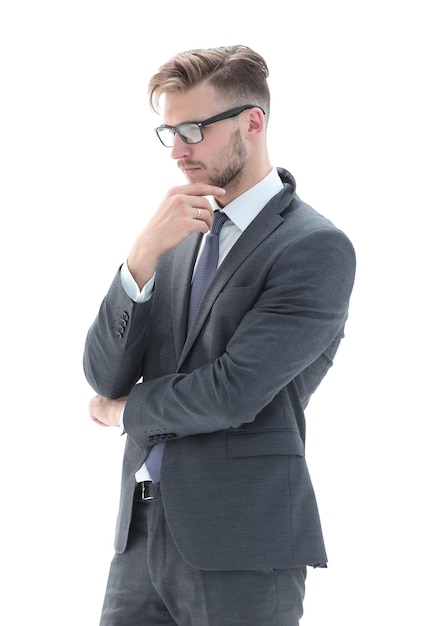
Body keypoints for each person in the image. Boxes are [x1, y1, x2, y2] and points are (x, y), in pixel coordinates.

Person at [83, 44, 356, 626]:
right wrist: (139, 259)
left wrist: (120, 412)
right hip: (140, 535)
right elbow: (102, 372)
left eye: (194, 130)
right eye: (169, 133)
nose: (179, 151)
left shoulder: (313, 247)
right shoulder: (177, 232)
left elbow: (233, 391)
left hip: (242, 544)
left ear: (251, 123)